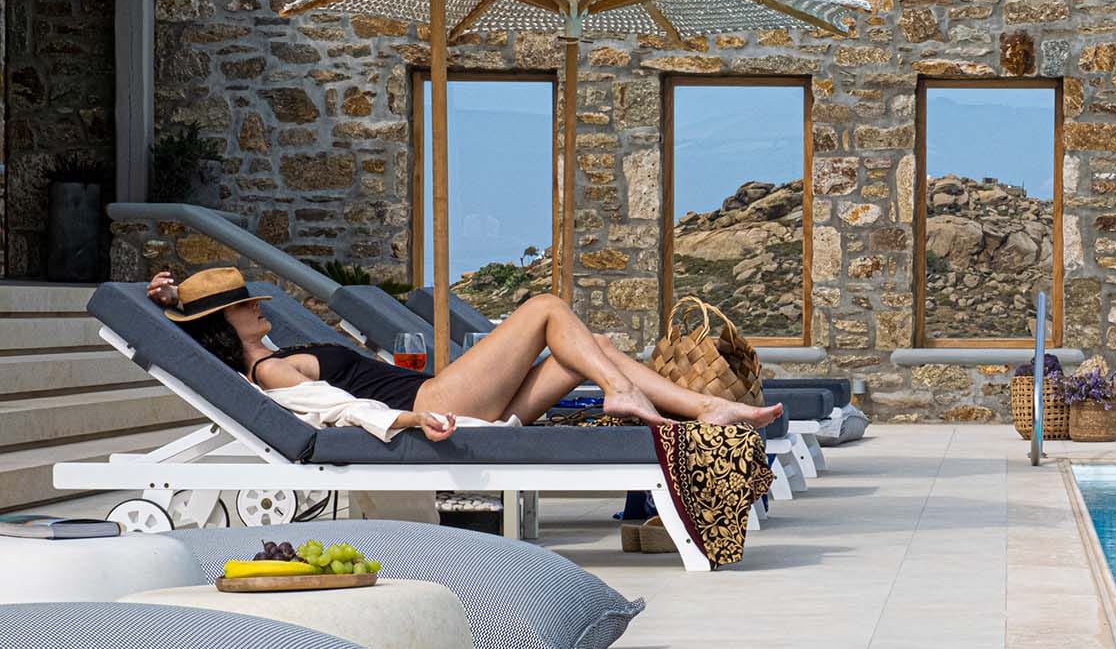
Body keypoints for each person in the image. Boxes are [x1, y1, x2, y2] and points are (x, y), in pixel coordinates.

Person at [147, 267, 782, 437]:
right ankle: (622, 392)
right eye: (243, 305)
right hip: (437, 401)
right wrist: (415, 418)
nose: (256, 306)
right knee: (544, 306)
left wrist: (169, 301)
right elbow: (340, 411)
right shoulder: (270, 370)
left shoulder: (273, 349)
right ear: (224, 322)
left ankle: (705, 408)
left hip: (450, 398)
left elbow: (189, 328)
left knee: (593, 347)